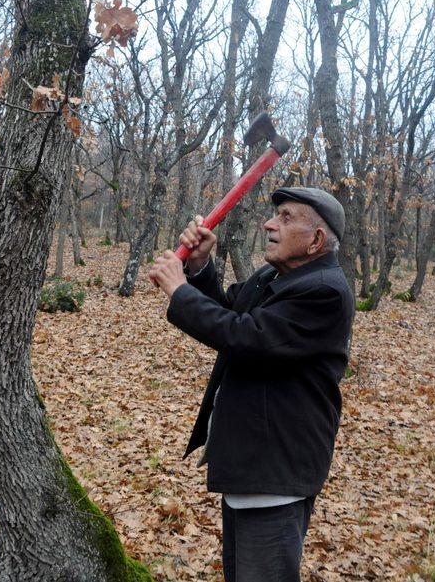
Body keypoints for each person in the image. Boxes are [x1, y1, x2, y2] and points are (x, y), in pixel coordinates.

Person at [148, 187, 355, 582]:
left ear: (316, 241)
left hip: (276, 473)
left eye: (287, 217)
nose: (269, 223)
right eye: (276, 213)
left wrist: (178, 290)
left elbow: (247, 336)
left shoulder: (324, 291)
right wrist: (198, 266)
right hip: (250, 466)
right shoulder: (274, 276)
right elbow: (231, 311)